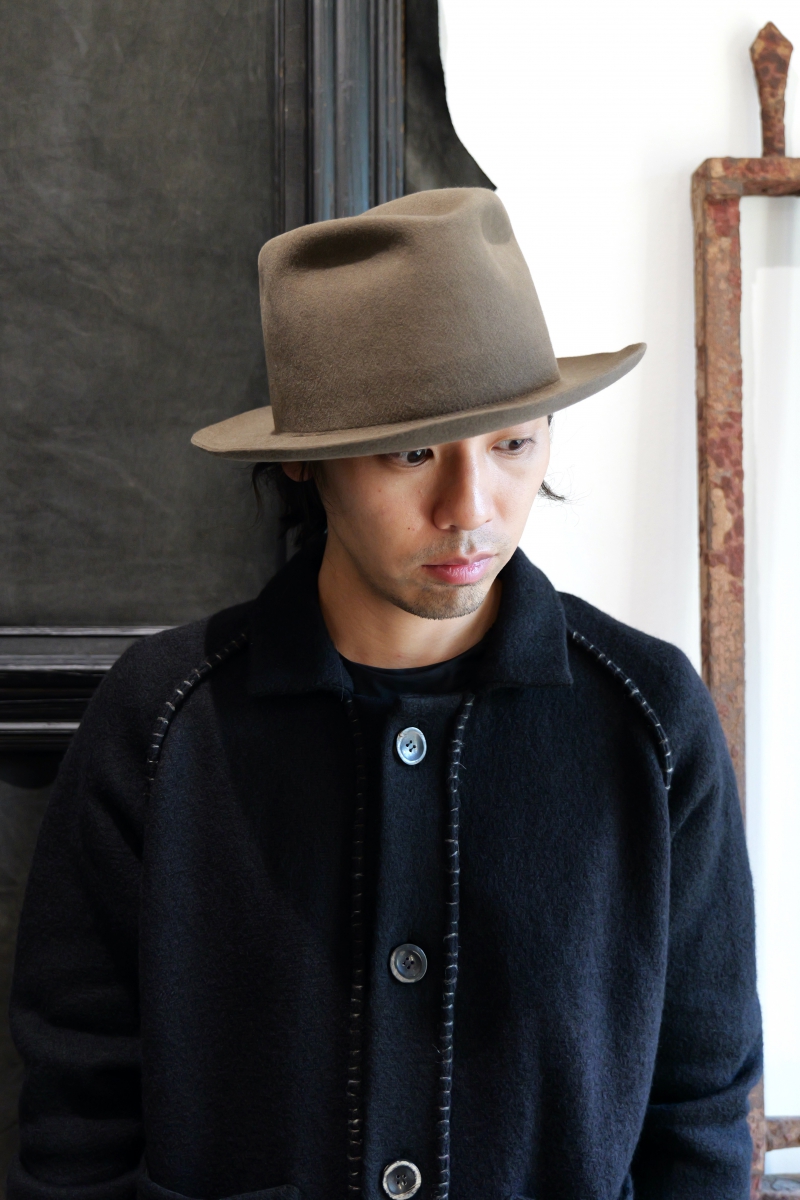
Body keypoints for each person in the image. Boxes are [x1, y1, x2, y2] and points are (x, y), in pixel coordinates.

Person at [9, 188, 760, 1200]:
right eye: (411, 452)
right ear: (306, 466)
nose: (470, 509)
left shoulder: (648, 717)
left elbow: (699, 1112)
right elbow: (76, 1111)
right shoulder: (162, 722)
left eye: (512, 443)